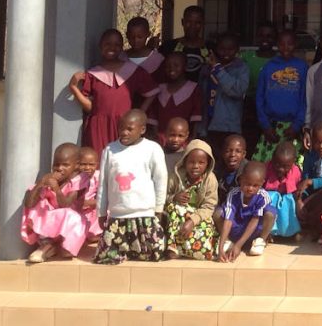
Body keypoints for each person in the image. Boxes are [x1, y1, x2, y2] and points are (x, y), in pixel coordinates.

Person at [94, 109, 168, 264]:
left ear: (142, 130)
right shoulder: (110, 150)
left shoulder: (152, 149)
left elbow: (161, 180)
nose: (124, 132)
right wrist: (101, 212)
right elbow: (103, 183)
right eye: (121, 128)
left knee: (154, 254)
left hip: (145, 214)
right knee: (106, 256)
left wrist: (158, 209)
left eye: (129, 129)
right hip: (117, 215)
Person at [70, 29, 159, 155]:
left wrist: (140, 113)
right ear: (100, 46)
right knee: (99, 164)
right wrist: (74, 88)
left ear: (122, 48)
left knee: (122, 165)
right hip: (98, 127)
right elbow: (90, 107)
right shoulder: (93, 74)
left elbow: (152, 91)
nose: (112, 48)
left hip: (124, 126)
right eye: (107, 44)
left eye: (117, 45)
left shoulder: (132, 70)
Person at [21, 143, 88, 263]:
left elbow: (66, 205)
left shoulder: (80, 180)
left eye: (65, 165)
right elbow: (29, 204)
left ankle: (61, 246)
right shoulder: (49, 180)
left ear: (76, 166)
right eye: (56, 165)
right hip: (51, 226)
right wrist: (41, 183)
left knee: (70, 216)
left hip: (73, 225)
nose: (59, 168)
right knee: (38, 204)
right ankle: (47, 245)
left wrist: (56, 189)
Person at [253, 30, 308, 163]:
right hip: (271, 127)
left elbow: (305, 98)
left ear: (296, 45)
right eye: (282, 44)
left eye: (290, 44)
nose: (286, 47)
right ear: (277, 45)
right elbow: (259, 97)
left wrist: (297, 125)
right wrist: (265, 125)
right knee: (266, 167)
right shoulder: (269, 67)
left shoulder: (302, 67)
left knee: (291, 167)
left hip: (292, 128)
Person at [164, 138, 218, 260]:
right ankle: (174, 248)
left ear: (208, 164)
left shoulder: (210, 179)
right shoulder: (176, 176)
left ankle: (192, 250)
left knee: (204, 233)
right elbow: (163, 197)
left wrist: (193, 220)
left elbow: (209, 206)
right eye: (191, 162)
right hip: (178, 217)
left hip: (200, 216)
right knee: (174, 208)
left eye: (201, 163)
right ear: (184, 161)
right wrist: (174, 197)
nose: (195, 166)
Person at [201, 32, 249, 156]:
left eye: (230, 49)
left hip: (229, 126)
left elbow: (237, 91)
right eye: (222, 49)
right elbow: (201, 93)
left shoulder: (241, 68)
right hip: (208, 126)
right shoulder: (207, 68)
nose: (226, 53)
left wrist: (218, 69)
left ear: (237, 50)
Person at [217, 161, 277, 260]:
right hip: (236, 229)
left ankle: (260, 241)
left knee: (271, 213)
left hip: (254, 232)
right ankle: (228, 242)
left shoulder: (263, 196)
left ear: (262, 183)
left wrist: (238, 246)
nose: (250, 188)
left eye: (255, 185)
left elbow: (255, 220)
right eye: (247, 184)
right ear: (240, 180)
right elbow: (228, 220)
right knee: (218, 213)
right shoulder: (233, 194)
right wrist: (220, 247)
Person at [240, 20, 278, 157]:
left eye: (269, 36)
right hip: (251, 107)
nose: (265, 39)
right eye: (261, 35)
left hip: (273, 108)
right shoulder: (246, 57)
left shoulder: (280, 60)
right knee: (251, 144)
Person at [145, 52, 201, 143]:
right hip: (161, 140)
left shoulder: (193, 88)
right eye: (168, 66)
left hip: (183, 142)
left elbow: (196, 117)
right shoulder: (160, 88)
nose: (171, 69)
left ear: (185, 66)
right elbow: (153, 115)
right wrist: (157, 138)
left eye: (176, 65)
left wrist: (193, 139)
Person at [263, 141, 303, 240]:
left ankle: (290, 231)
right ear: (272, 159)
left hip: (287, 200)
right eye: (277, 164)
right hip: (271, 199)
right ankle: (269, 231)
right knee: (270, 197)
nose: (281, 169)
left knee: (289, 201)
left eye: (285, 167)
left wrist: (298, 200)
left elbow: (296, 189)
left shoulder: (296, 171)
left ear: (293, 162)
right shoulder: (266, 168)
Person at [159, 5, 210, 83]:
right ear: (182, 22)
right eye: (189, 22)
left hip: (202, 93)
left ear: (203, 24)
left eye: (197, 23)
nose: (192, 26)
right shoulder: (168, 46)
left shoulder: (211, 48)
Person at [75, 146, 102, 243]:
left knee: (104, 211)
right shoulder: (74, 179)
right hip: (76, 210)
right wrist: (93, 202)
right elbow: (77, 202)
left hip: (90, 209)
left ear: (97, 165)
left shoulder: (97, 176)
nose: (87, 168)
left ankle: (92, 235)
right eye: (83, 164)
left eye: (91, 164)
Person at [217, 134, 248, 205]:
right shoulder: (217, 170)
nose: (232, 154)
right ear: (222, 153)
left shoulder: (248, 172)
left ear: (244, 154)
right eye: (228, 151)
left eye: (238, 151)